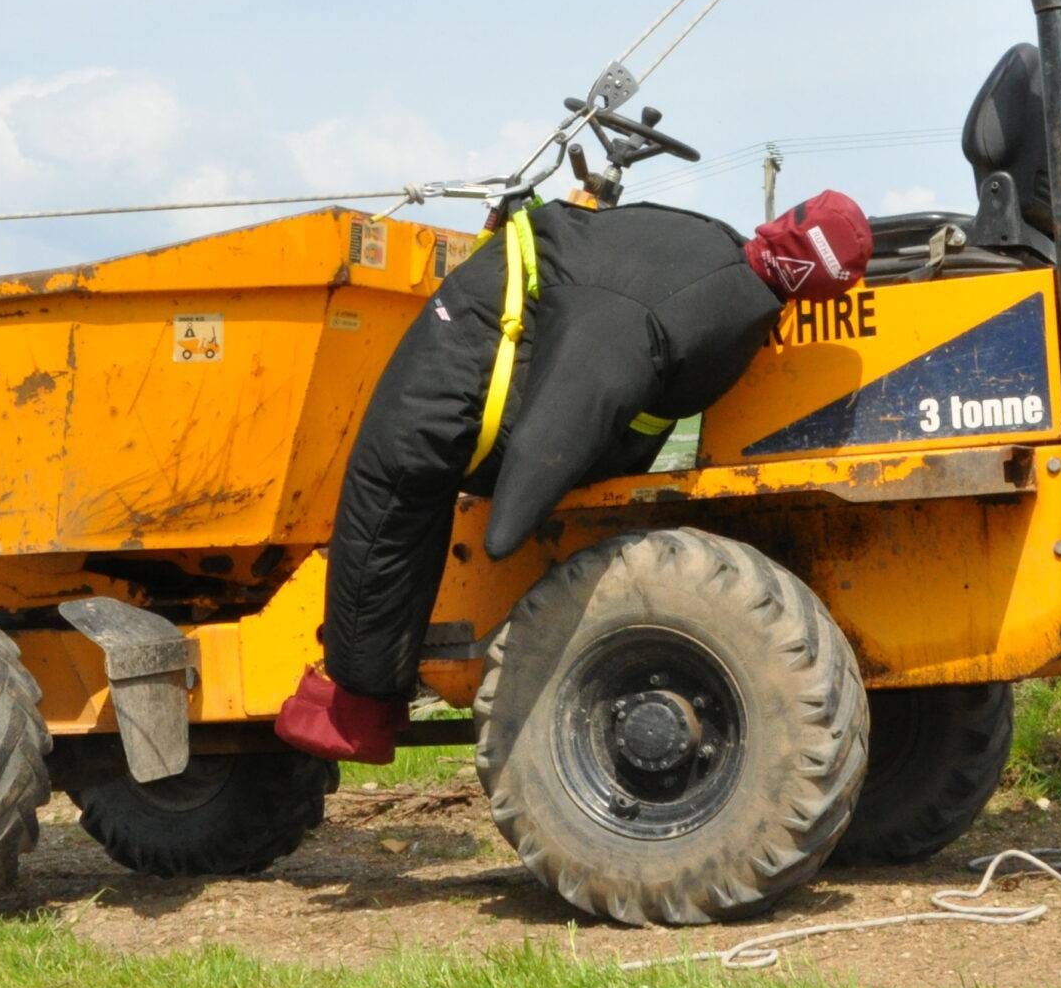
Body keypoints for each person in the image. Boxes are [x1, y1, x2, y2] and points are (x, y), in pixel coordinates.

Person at [277, 190, 873, 762]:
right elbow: (585, 387)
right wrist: (513, 519)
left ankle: (357, 710)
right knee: (399, 479)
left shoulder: (713, 256)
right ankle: (353, 709)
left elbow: (598, 377)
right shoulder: (714, 308)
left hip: (510, 332)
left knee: (394, 487)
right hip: (476, 340)